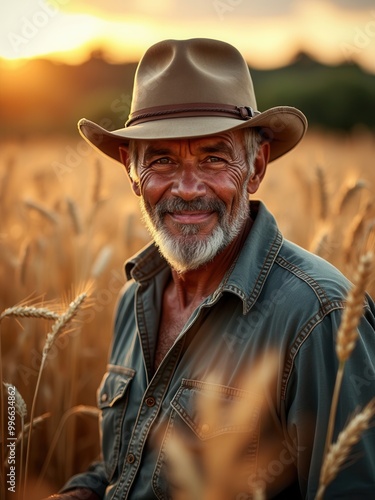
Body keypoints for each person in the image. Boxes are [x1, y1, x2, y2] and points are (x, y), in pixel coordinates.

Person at [47, 38, 375, 499]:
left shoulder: (319, 316)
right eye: (162, 159)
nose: (186, 188)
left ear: (256, 166)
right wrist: (83, 491)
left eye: (214, 158)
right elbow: (130, 462)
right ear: (130, 170)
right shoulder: (134, 300)